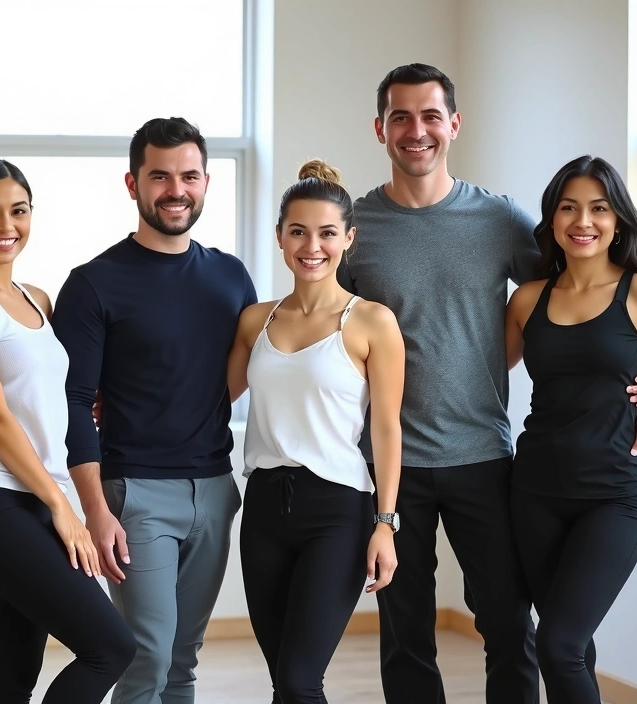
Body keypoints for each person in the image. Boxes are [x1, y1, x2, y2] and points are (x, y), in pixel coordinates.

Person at [337, 63, 637, 704]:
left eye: (431, 115)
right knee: (405, 631)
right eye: (400, 116)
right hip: (390, 461)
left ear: (454, 124)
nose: (416, 130)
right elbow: (326, 331)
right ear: (379, 128)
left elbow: (588, 283)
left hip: (486, 459)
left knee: (512, 627)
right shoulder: (355, 230)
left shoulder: (501, 221)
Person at [51, 117, 257, 704]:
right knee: (147, 658)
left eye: (189, 175)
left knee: (182, 662)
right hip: (134, 491)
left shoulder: (230, 276)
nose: (176, 189)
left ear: (206, 182)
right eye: (160, 176)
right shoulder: (93, 284)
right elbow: (72, 402)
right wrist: (95, 510)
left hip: (216, 488)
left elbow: (228, 381)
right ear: (132, 183)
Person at [0, 156, 136, 703]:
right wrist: (63, 507)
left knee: (13, 677)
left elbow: (50, 398)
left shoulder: (37, 300)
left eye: (18, 211)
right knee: (110, 648)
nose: (6, 226)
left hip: (35, 498)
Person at [505, 155, 637, 703]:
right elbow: (482, 377)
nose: (583, 221)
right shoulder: (528, 299)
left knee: (558, 644)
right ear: (552, 218)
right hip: (535, 491)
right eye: (569, 207)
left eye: (599, 208)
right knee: (574, 645)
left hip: (614, 494)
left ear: (619, 221)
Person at [227, 160, 404, 704]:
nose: (312, 246)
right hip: (262, 509)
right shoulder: (256, 320)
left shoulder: (372, 321)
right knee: (285, 678)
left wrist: (385, 525)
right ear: (279, 236)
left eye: (328, 233)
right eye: (298, 231)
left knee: (302, 680)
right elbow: (212, 398)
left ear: (348, 238)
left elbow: (387, 429)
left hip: (337, 511)